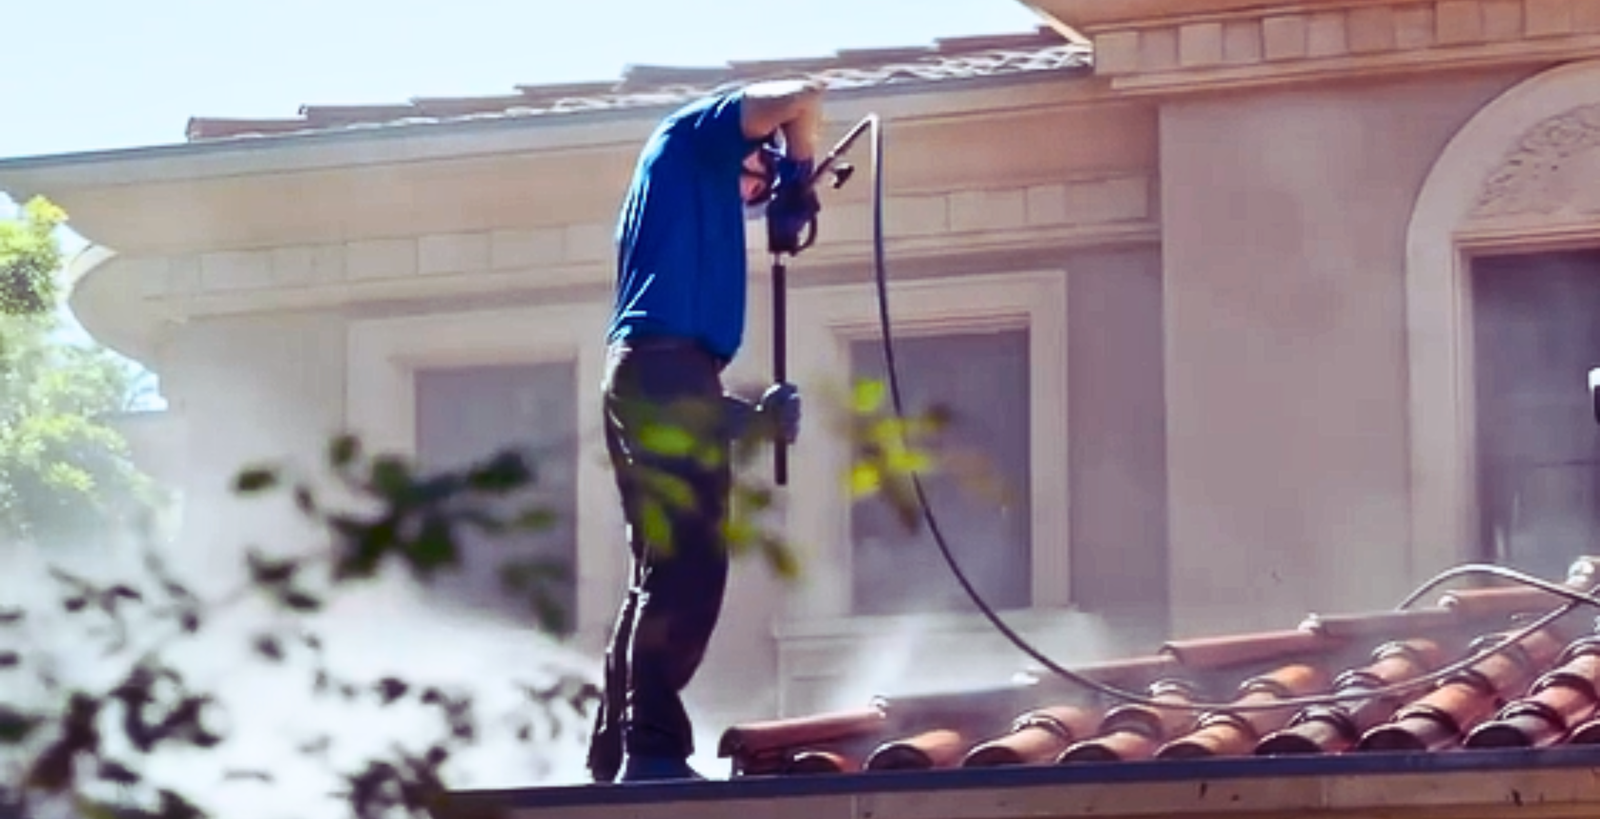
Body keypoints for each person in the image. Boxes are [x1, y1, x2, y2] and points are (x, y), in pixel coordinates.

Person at [588, 79, 824, 784]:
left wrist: (748, 419)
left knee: (659, 571)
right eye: (756, 182)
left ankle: (617, 751)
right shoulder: (694, 137)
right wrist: (798, 168)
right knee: (689, 569)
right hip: (661, 374)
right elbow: (804, 93)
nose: (753, 203)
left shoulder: (683, 184)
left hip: (657, 377)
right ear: (748, 150)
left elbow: (679, 385)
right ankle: (652, 748)